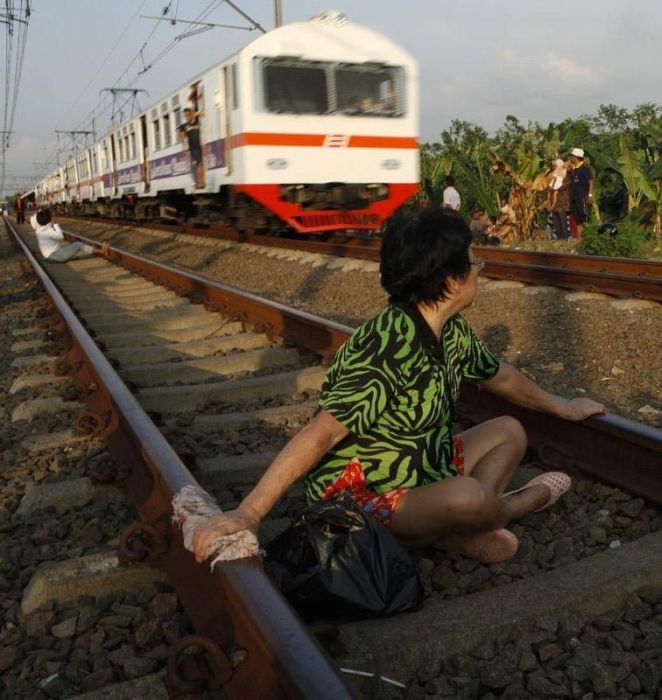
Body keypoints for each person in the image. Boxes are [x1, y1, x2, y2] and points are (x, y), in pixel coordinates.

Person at [191, 209, 604, 565]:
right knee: (469, 497)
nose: (480, 269)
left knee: (509, 431)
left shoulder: (453, 331)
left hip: (422, 469)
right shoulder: (387, 343)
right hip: (365, 495)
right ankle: (509, 507)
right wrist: (250, 514)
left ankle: (469, 527)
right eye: (474, 262)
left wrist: (562, 406)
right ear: (450, 279)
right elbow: (322, 432)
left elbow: (502, 377)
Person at [30, 209, 108, 262]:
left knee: (70, 247)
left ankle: (100, 250)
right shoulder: (47, 231)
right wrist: (55, 224)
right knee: (78, 244)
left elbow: (33, 219)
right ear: (49, 220)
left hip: (50, 256)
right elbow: (61, 236)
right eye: (51, 217)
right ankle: (102, 251)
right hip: (55, 256)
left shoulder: (39, 230)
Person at [568, 147, 594, 238]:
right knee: (577, 218)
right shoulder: (575, 169)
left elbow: (590, 181)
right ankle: (579, 237)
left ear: (577, 157)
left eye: (572, 156)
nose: (570, 158)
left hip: (582, 197)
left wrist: (590, 195)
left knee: (584, 217)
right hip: (575, 197)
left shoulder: (585, 168)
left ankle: (587, 237)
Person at [178, 107, 205, 189]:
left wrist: (195, 114)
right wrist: (185, 149)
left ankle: (201, 181)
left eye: (188, 115)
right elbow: (182, 138)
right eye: (185, 116)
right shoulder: (183, 126)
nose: (187, 117)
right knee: (199, 163)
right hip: (193, 147)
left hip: (201, 145)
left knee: (202, 162)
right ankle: (200, 182)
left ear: (191, 114)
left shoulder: (197, 122)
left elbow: (203, 112)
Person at [547, 159, 571, 240]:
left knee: (562, 220)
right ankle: (559, 238)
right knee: (556, 220)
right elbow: (550, 186)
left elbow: (566, 184)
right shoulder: (553, 174)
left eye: (556, 165)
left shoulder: (566, 173)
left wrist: (555, 188)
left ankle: (565, 238)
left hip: (562, 201)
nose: (555, 166)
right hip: (554, 202)